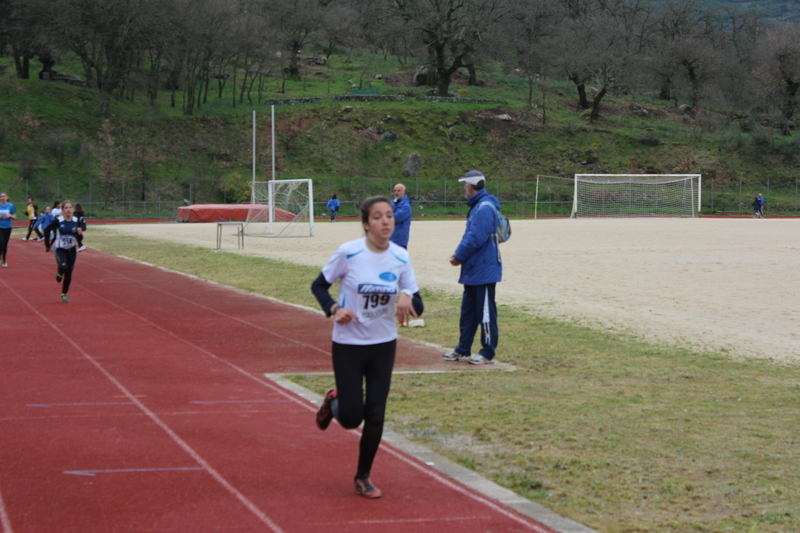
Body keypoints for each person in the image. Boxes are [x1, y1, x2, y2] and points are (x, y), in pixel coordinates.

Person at [311, 195, 423, 499]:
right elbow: (318, 286)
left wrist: (407, 296)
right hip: (348, 344)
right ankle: (333, 402)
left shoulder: (400, 256)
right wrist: (334, 309)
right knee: (351, 417)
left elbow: (417, 304)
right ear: (365, 224)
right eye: (377, 216)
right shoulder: (349, 253)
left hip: (383, 345)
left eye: (389, 215)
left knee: (375, 414)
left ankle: (363, 476)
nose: (385, 221)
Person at [443, 170, 502, 365]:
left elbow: (475, 237)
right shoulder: (479, 206)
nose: (464, 189)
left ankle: (487, 352)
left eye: (464, 185)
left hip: (483, 269)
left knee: (485, 312)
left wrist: (459, 256)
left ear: (470, 186)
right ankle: (463, 349)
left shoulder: (483, 208)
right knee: (468, 312)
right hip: (474, 268)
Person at [44, 200, 85, 303]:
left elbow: (80, 238)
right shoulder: (58, 220)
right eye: (66, 208)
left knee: (69, 273)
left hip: (72, 249)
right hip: (60, 249)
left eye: (70, 208)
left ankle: (64, 294)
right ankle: (59, 273)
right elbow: (47, 229)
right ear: (62, 210)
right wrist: (47, 244)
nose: (68, 210)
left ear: (73, 209)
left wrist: (80, 234)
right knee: (63, 267)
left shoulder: (76, 221)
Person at [390, 183, 412, 249]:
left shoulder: (406, 206)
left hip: (400, 240)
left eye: (399, 191)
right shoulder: (391, 203)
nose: (396, 192)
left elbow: (395, 218)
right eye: (395, 191)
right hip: (390, 238)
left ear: (404, 191)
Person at [0, 192, 17, 268]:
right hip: (0, 227)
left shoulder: (11, 206)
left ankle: (4, 260)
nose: (3, 198)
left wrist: (10, 215)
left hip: (8, 227)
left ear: (7, 197)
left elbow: (15, 217)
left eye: (4, 196)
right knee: (1, 242)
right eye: (1, 197)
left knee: (5, 244)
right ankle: (2, 257)